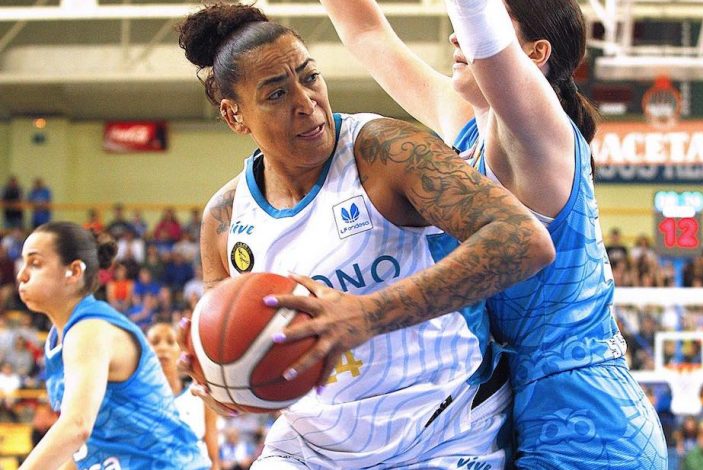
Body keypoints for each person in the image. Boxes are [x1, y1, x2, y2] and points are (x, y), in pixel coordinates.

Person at [177, 3, 554, 469]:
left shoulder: (385, 150)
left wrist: (368, 314)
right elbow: (229, 355)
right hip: (312, 448)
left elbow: (524, 239)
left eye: (310, 77)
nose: (306, 102)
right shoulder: (225, 217)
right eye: (276, 94)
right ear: (235, 116)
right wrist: (218, 378)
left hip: (444, 431)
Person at [314, 0, 667, 467]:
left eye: (481, 27)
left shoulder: (541, 133)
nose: (454, 36)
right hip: (519, 411)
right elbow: (366, 33)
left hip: (589, 420)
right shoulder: (468, 128)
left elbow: (477, 20)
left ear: (537, 53)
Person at [16, 221, 210, 470]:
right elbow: (86, 446)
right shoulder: (60, 337)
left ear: (74, 271)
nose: (22, 275)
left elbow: (76, 427)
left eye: (35, 263)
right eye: (23, 263)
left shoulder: (90, 330)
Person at [147, 322, 220, 470]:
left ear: (180, 351)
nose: (162, 347)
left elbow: (213, 459)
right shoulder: (135, 399)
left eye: (170, 342)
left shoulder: (200, 395)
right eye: (155, 342)